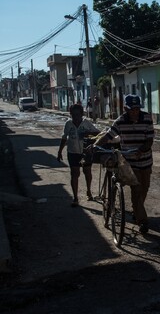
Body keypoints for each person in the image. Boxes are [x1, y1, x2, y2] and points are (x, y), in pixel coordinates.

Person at [91, 94, 154, 234]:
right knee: (137, 190)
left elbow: (149, 140)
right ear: (125, 108)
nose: (135, 112)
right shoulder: (120, 122)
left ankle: (137, 211)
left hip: (146, 161)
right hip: (129, 163)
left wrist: (141, 149)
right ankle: (142, 221)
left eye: (137, 109)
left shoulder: (147, 118)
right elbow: (108, 135)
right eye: (132, 109)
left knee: (144, 189)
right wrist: (95, 145)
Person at [57, 104, 100, 207]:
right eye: (73, 115)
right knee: (74, 174)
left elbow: (97, 133)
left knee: (87, 172)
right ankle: (75, 197)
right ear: (71, 115)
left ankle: (89, 191)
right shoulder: (68, 124)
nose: (76, 117)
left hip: (85, 152)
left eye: (78, 114)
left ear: (81, 114)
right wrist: (59, 152)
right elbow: (64, 138)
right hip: (72, 152)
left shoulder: (86, 123)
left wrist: (87, 134)